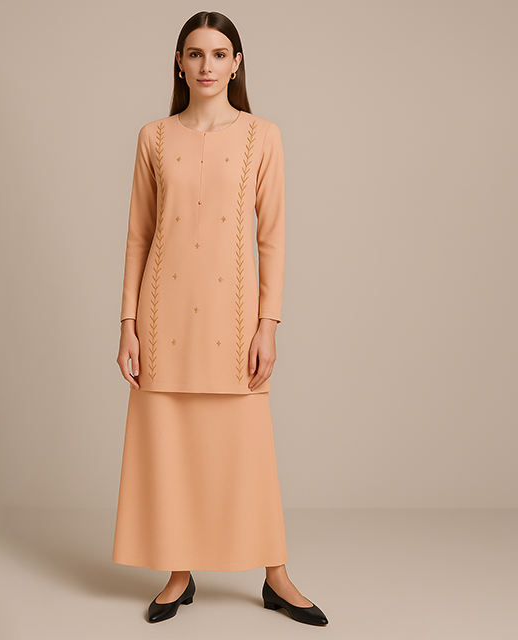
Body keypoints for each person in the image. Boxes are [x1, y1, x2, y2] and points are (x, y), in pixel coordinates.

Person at [112, 11, 329, 627]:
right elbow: (138, 235)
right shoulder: (153, 138)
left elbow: (272, 238)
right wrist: (127, 324)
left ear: (236, 64)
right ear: (179, 64)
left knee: (246, 449)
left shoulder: (263, 136)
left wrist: (268, 324)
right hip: (162, 315)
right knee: (169, 445)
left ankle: (276, 576)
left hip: (233, 320)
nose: (206, 65)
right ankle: (178, 574)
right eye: (194, 53)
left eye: (218, 53)